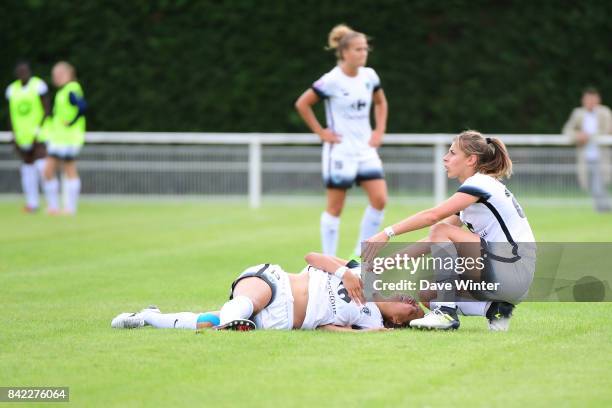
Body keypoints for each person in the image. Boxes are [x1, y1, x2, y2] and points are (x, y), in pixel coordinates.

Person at [364, 130, 536, 331]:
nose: (445, 158)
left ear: (471, 159)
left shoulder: (479, 183)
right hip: (511, 278)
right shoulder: (479, 190)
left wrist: (386, 233)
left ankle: (446, 313)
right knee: (428, 294)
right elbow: (433, 240)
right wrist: (385, 263)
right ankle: (495, 310)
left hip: (511, 272)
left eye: (452, 153)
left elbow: (433, 218)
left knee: (440, 228)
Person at [110, 253, 423, 331]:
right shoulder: (365, 275)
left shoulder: (371, 325)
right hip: (276, 284)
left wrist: (362, 335)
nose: (409, 301)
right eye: (411, 297)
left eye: (412, 310)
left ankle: (148, 318)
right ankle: (230, 326)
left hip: (279, 321)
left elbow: (327, 327)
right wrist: (343, 272)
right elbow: (312, 257)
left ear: (396, 322)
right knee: (249, 301)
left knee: (205, 321)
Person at [295, 24, 389, 257]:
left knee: (380, 200)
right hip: (340, 152)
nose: (363, 53)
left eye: (365, 49)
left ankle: (360, 253)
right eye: (358, 49)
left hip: (365, 150)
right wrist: (321, 132)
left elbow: (380, 102)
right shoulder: (331, 80)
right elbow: (302, 103)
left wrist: (379, 131)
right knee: (335, 207)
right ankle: (329, 259)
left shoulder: (370, 76)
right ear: (344, 52)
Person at [5, 61, 51, 212]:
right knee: (27, 169)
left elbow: (46, 109)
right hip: (22, 136)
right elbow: (11, 114)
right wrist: (14, 135)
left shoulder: (38, 86)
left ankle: (52, 204)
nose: (23, 74)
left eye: (25, 71)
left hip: (38, 135)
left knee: (42, 166)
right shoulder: (12, 90)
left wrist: (38, 130)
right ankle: (32, 204)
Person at [43, 61, 87, 215]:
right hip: (58, 138)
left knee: (68, 170)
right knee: (48, 171)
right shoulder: (62, 92)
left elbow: (82, 107)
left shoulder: (71, 89)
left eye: (58, 75)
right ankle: (54, 207)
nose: (55, 78)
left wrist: (71, 122)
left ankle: (70, 208)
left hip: (69, 138)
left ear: (67, 74)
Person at [562, 87, 612, 212]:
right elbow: (567, 130)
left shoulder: (605, 112)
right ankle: (602, 208)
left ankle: (603, 209)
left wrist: (589, 136)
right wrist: (578, 135)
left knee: (598, 184)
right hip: (585, 156)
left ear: (597, 99)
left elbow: (607, 130)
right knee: (591, 185)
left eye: (592, 99)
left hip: (601, 156)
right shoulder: (578, 113)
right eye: (587, 99)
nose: (590, 102)